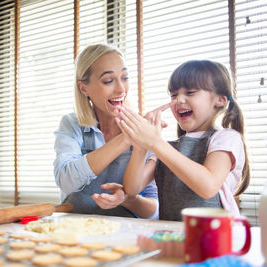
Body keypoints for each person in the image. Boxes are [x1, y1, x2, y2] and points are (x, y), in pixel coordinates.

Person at [117, 60, 250, 221]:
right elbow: (132, 188)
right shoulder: (166, 148)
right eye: (173, 95)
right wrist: (141, 145)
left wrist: (155, 143)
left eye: (190, 92)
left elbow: (208, 186)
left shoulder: (226, 138)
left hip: (214, 238)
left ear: (220, 100)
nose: (178, 100)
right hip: (174, 236)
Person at [53, 44, 159, 219]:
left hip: (126, 235)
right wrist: (125, 139)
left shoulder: (143, 128)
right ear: (83, 88)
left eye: (125, 77)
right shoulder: (72, 125)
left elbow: (154, 211)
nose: (121, 89)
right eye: (108, 81)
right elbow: (66, 181)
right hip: (75, 231)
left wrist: (126, 198)